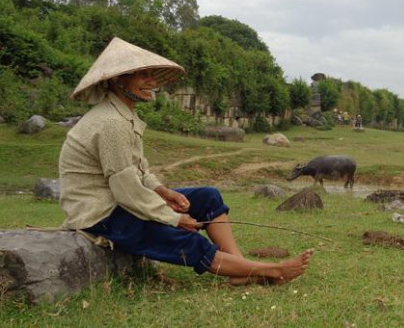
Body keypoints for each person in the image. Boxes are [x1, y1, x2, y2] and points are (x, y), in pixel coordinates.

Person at [59, 37, 312, 285]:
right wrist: (173, 219)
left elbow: (139, 169)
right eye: (142, 75)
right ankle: (271, 270)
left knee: (207, 197)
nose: (151, 81)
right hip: (102, 214)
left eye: (151, 74)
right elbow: (127, 189)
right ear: (117, 80)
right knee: (184, 238)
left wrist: (162, 191)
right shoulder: (111, 123)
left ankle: (239, 267)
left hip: (122, 201)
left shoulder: (123, 115)